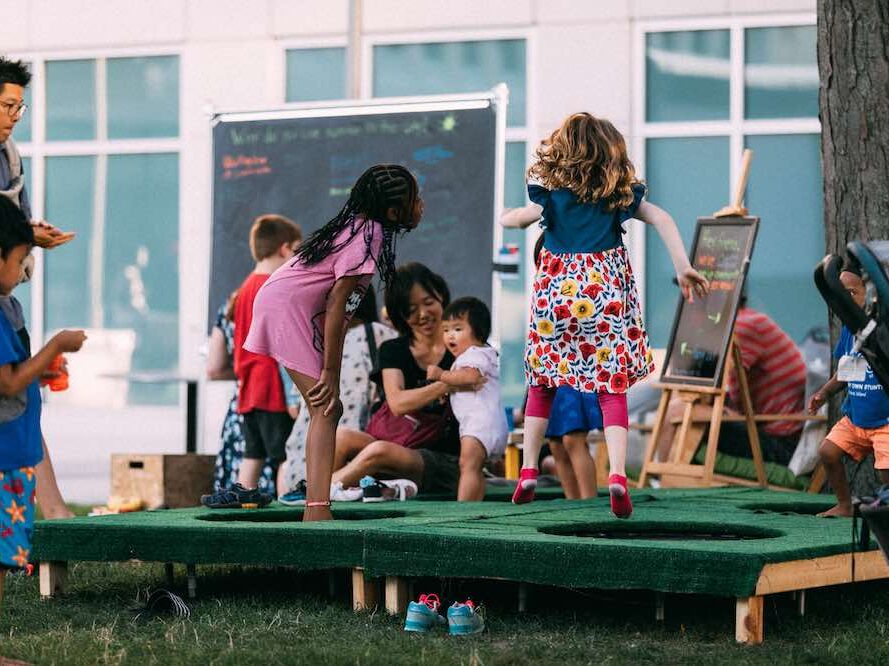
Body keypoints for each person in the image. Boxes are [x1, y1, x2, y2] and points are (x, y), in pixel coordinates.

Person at [500, 112, 707, 517]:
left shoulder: (551, 195)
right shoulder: (618, 196)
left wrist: (506, 215)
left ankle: (526, 470)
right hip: (604, 299)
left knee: (542, 383)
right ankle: (615, 474)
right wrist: (682, 265)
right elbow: (662, 218)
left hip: (555, 298)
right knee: (610, 390)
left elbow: (518, 220)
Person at [244, 165, 423, 521]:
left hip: (287, 304)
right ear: (392, 212)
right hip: (288, 308)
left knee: (327, 409)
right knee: (326, 408)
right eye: (414, 199)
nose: (421, 205)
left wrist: (329, 370)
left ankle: (316, 503)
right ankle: (316, 509)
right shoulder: (368, 235)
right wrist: (329, 372)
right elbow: (339, 305)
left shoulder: (362, 227)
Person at [0, 197, 85, 610]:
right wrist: (56, 343)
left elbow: (16, 373)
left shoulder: (7, 309)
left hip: (16, 453)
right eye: (19, 261)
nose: (22, 273)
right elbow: (8, 381)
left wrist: (44, 369)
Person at [0, 57, 76, 521]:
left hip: (5, 302)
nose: (13, 116)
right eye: (7, 105)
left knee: (23, 404)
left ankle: (51, 511)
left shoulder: (11, 157)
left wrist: (31, 234)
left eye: (19, 108)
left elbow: (14, 225)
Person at [330, 263, 468, 499]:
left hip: (446, 461)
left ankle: (315, 493)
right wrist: (449, 382)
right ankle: (332, 502)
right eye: (411, 309)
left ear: (441, 297)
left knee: (379, 451)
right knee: (340, 437)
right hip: (396, 444)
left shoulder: (463, 349)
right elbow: (398, 403)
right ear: (399, 314)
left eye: (428, 303)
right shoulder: (393, 349)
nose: (423, 314)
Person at [202, 214, 302, 507]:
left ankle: (240, 495)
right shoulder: (274, 287)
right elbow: (282, 345)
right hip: (272, 388)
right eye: (296, 251)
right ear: (284, 249)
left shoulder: (243, 290)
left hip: (248, 389)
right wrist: (293, 394)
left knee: (253, 452)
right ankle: (290, 502)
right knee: (286, 453)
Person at [653, 293, 807, 467]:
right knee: (679, 406)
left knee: (677, 410)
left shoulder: (742, 326)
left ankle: (660, 478)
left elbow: (701, 380)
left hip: (779, 442)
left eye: (693, 304)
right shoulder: (742, 321)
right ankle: (664, 476)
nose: (687, 310)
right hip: (761, 423)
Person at [277, 288, 397, 504]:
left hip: (300, 455)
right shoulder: (379, 333)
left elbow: (299, 407)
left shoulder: (316, 346)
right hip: (351, 446)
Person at [808, 268, 889, 517]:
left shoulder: (884, 330)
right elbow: (846, 371)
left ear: (872, 295)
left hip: (885, 422)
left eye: (852, 293)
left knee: (885, 470)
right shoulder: (848, 331)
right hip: (856, 419)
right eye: (841, 295)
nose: (846, 300)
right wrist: (824, 393)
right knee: (828, 453)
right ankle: (845, 505)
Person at [427, 297, 508, 500]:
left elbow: (471, 377)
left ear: (478, 331)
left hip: (480, 423)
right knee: (475, 467)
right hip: (485, 423)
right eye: (445, 330)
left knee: (468, 464)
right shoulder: (480, 354)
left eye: (457, 329)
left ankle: (464, 508)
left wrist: (441, 375)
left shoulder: (474, 354)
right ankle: (475, 506)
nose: (449, 336)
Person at [206, 290, 275, 493]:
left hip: (240, 404)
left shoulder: (233, 301)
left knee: (244, 473)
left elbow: (213, 368)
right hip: (273, 399)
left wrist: (241, 372)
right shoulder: (276, 296)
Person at [545, 387, 602, 499]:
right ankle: (572, 501)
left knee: (572, 439)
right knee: (556, 445)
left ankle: (589, 501)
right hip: (551, 377)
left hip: (575, 377)